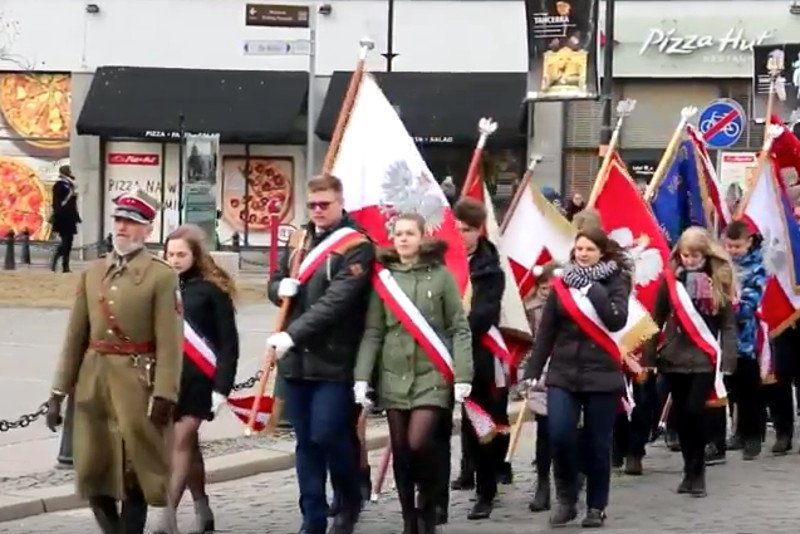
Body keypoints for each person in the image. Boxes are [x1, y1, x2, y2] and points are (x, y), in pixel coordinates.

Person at [44, 188, 183, 534]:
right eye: (119, 219)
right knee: (92, 470)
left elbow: (170, 341)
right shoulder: (92, 275)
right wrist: (58, 392)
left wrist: (165, 393)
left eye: (132, 222)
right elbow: (74, 337)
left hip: (138, 383)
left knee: (135, 470)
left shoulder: (162, 276)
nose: (122, 227)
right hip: (94, 383)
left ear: (148, 230)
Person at [266, 174, 375, 534]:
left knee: (329, 434)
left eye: (324, 204)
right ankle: (312, 515)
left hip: (335, 357)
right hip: (296, 361)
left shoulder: (357, 245)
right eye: (312, 204)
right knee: (305, 442)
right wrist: (277, 287)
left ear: (339, 203)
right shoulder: (299, 239)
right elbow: (279, 282)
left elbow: (337, 302)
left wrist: (291, 335)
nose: (317, 211)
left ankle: (348, 496)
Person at [354, 212, 473, 534]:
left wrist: (463, 375)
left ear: (422, 238)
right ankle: (410, 518)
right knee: (403, 452)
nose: (404, 239)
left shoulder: (441, 276)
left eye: (410, 233)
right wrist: (362, 377)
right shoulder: (385, 281)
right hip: (394, 376)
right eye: (399, 234)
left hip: (431, 374)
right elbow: (374, 332)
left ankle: (428, 505)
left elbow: (459, 328)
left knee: (419, 443)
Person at [524, 225, 632, 528]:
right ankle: (566, 498)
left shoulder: (615, 281)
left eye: (590, 250)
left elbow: (615, 319)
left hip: (601, 373)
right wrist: (534, 369)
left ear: (601, 253)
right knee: (559, 434)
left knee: (598, 443)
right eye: (579, 248)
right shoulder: (561, 284)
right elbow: (547, 331)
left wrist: (592, 289)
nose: (583, 254)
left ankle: (596, 505)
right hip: (563, 371)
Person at [154, 224, 240, 534]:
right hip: (169, 381)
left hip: (201, 381)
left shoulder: (212, 291)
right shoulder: (161, 288)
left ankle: (167, 517)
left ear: (195, 255)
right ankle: (203, 509)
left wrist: (222, 388)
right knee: (188, 448)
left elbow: (229, 343)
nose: (175, 260)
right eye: (170, 254)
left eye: (181, 254)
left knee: (180, 441)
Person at [643, 227, 737, 497]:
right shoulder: (670, 280)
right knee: (682, 419)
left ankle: (699, 473)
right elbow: (656, 318)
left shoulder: (718, 279)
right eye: (686, 255)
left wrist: (728, 359)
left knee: (696, 413)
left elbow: (728, 325)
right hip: (673, 358)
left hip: (703, 359)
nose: (690, 260)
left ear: (705, 254)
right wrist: (649, 356)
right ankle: (688, 469)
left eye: (696, 255)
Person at [449, 198, 505, 520]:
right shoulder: (444, 262)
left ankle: (486, 491)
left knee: (479, 422)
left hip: (478, 353)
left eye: (467, 230)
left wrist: (454, 331)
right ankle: (462, 473)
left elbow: (483, 314)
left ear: (479, 230)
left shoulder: (489, 269)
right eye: (456, 229)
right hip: (445, 352)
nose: (461, 235)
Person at [722, 220, 767, 460]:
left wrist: (727, 306)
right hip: (726, 341)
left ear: (749, 242)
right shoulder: (721, 265)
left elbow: (749, 305)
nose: (732, 250)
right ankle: (737, 432)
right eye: (728, 245)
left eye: (737, 246)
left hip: (746, 340)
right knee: (732, 391)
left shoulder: (757, 268)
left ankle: (753, 436)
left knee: (750, 391)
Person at [523, 261, 560, 513]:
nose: (548, 291)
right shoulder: (529, 309)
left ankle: (572, 474)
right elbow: (523, 345)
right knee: (544, 431)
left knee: (569, 431)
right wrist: (525, 376)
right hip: (541, 375)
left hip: (570, 372)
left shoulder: (572, 304)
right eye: (544, 287)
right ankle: (543, 485)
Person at [50, 164, 81, 273]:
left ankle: (65, 265)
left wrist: (76, 216)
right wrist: (58, 214)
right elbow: (56, 202)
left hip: (70, 217)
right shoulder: (59, 185)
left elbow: (73, 203)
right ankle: (58, 261)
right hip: (63, 217)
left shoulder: (71, 185)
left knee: (69, 242)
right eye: (68, 171)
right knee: (65, 241)